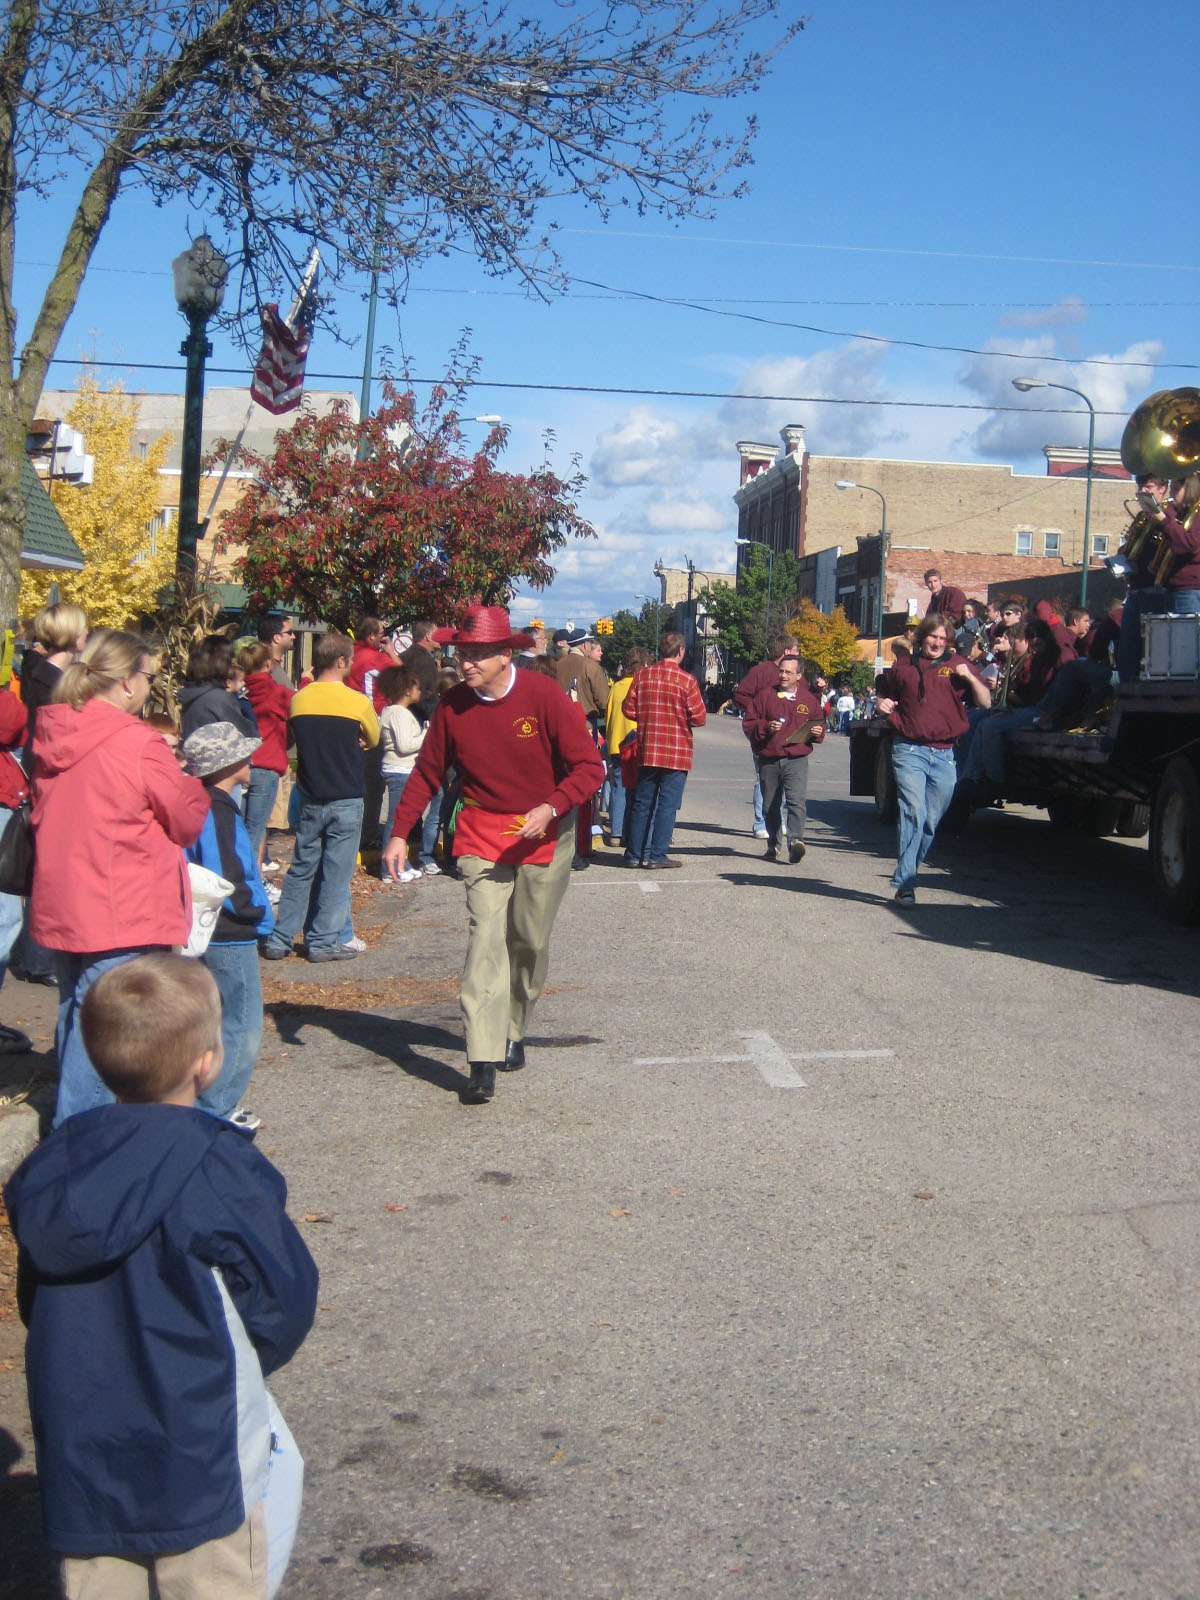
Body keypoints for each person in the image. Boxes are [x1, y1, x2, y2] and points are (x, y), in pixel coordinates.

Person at [4, 953, 318, 1600]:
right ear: (205, 1062)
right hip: (199, 1449)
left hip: (83, 1453)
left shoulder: (51, 1168)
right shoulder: (222, 1168)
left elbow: (37, 1296)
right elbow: (281, 1300)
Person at [382, 605, 604, 1105]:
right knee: (485, 937)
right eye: (463, 653)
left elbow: (590, 768)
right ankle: (481, 1059)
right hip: (483, 828)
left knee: (527, 940)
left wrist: (551, 806)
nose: (467, 663)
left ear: (507, 656)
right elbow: (427, 773)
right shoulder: (454, 706)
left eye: (479, 654)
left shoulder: (543, 695)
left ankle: (513, 1027)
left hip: (544, 826)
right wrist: (399, 833)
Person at [30, 629, 210, 1125]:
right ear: (128, 683)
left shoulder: (53, 731)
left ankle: (75, 1139)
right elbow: (185, 819)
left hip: (64, 896)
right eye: (149, 677)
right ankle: (82, 1149)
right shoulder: (136, 742)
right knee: (107, 1031)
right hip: (122, 901)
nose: (151, 687)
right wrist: (191, 784)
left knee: (76, 1014)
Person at [261, 631, 380, 963]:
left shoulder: (300, 698)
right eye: (350, 660)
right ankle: (322, 941)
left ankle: (280, 937)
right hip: (346, 794)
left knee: (301, 868)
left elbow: (292, 734)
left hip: (312, 795)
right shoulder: (358, 702)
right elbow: (372, 738)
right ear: (341, 662)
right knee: (336, 873)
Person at [182, 722, 274, 1129]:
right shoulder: (217, 811)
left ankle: (200, 1099)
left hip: (204, 928)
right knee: (242, 1025)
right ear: (228, 765)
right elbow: (229, 872)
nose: (250, 759)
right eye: (242, 754)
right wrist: (256, 912)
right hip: (229, 932)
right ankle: (217, 1108)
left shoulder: (196, 803)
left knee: (212, 1023)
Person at [874, 613, 991, 905]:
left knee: (931, 821)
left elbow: (985, 701)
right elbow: (882, 696)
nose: (937, 643)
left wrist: (969, 678)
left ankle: (908, 873)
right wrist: (881, 704)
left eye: (942, 638)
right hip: (908, 749)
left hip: (944, 754)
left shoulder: (957, 665)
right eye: (932, 637)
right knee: (913, 812)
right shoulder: (903, 667)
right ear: (921, 637)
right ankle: (907, 883)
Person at [621, 630, 707, 869]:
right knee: (667, 806)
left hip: (648, 749)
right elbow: (699, 717)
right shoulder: (687, 681)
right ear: (680, 652)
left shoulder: (642, 677)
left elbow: (628, 710)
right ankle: (656, 855)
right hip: (676, 752)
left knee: (642, 802)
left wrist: (648, 716)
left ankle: (634, 853)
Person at [741, 655, 824, 864]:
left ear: (799, 675)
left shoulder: (808, 700)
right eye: (781, 671)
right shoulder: (765, 696)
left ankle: (795, 841)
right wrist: (766, 727)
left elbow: (820, 725)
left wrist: (817, 730)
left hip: (796, 758)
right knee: (770, 805)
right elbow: (749, 724)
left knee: (796, 801)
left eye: (788, 672)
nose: (783, 675)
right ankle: (773, 844)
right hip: (769, 759)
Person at [732, 632, 796, 839]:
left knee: (784, 777)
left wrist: (816, 691)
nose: (798, 654)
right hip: (764, 734)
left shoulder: (793, 674)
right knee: (764, 778)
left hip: (787, 734)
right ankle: (761, 822)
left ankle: (778, 820)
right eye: (796, 651)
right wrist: (757, 713)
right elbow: (741, 694)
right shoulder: (761, 671)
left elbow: (804, 698)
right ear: (786, 652)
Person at [239, 639, 293, 875]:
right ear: (269, 664)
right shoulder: (276, 694)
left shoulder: (239, 693)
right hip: (266, 765)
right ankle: (251, 880)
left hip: (240, 767)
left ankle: (248, 876)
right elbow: (298, 705)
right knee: (257, 829)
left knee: (241, 828)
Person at [375, 663, 425, 882]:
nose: (419, 691)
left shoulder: (390, 711)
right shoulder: (400, 713)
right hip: (401, 770)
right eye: (416, 687)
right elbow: (405, 745)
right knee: (396, 821)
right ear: (407, 690)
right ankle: (390, 869)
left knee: (401, 819)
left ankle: (400, 863)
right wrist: (427, 734)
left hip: (398, 769)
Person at [604, 647, 648, 849]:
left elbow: (609, 715)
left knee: (618, 788)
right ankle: (632, 832)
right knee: (636, 790)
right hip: (635, 742)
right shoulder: (641, 686)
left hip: (616, 742)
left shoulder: (617, 687)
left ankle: (616, 832)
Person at [179, 635, 258, 740]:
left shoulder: (190, 694)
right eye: (230, 660)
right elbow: (249, 735)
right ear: (222, 663)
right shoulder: (219, 699)